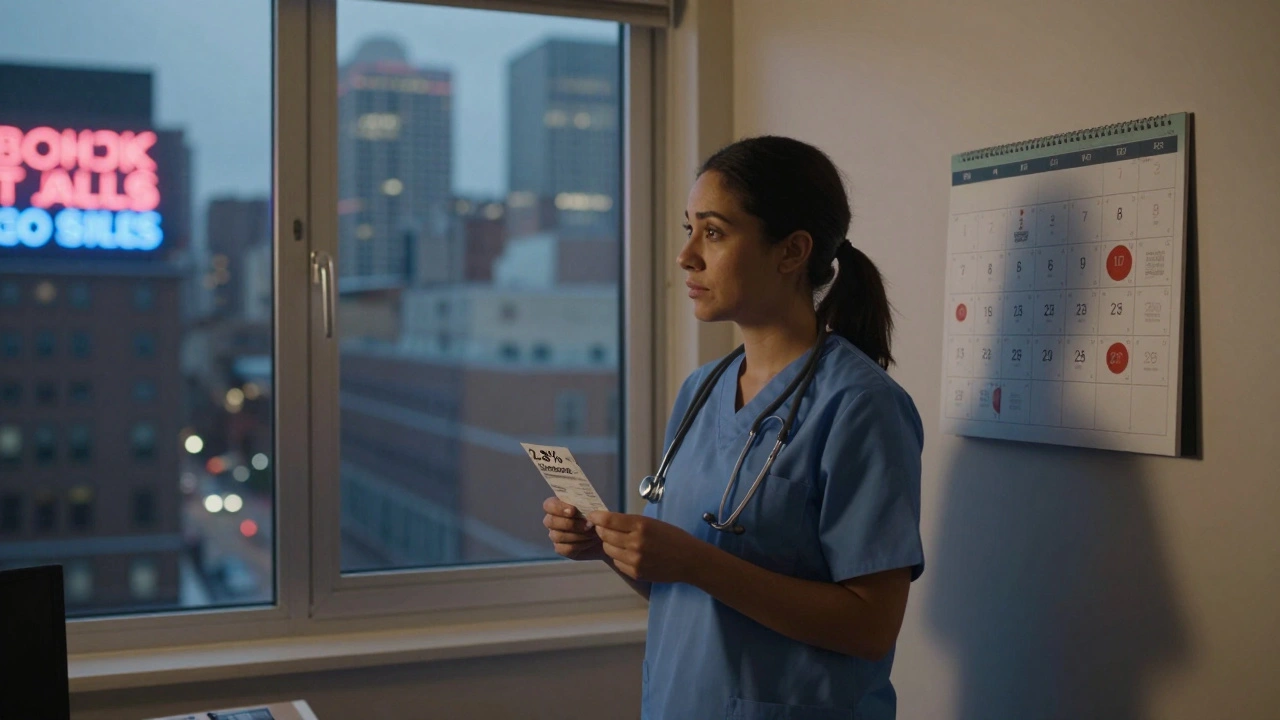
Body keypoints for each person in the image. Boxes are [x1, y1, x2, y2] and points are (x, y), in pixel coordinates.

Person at [542, 136, 925, 719]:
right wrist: (610, 549)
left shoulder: (861, 407)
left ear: (792, 251)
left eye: (714, 232)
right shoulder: (701, 392)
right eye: (688, 229)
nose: (686, 256)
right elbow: (683, 587)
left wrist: (697, 561)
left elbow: (871, 625)